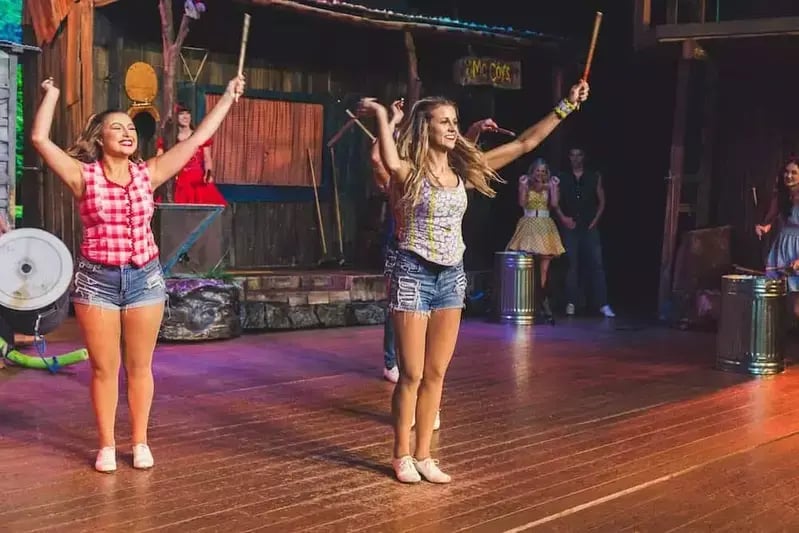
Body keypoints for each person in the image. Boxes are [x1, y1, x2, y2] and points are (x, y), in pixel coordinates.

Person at [358, 79, 589, 483]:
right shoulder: (409, 172)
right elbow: (389, 161)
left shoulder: (464, 172)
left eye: (455, 121)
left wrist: (565, 107)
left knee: (436, 373)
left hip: (451, 276)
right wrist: (382, 116)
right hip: (413, 272)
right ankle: (401, 455)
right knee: (410, 374)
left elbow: (523, 146)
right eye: (443, 121)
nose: (451, 127)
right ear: (425, 128)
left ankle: (425, 456)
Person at [30, 74, 245, 472]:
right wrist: (53, 94)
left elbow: (196, 140)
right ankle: (107, 445)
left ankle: (140, 441)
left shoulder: (148, 173)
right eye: (117, 127)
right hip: (97, 283)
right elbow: (41, 140)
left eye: (130, 128)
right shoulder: (84, 175)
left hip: (144, 279)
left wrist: (229, 98)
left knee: (140, 366)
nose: (127, 133)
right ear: (100, 138)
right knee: (103, 368)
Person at [553, 146, 615, 318]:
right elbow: (555, 201)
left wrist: (595, 220)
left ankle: (602, 303)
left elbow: (601, 201)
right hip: (571, 224)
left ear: (583, 157)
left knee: (596, 265)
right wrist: (563, 218)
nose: (576, 158)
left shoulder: (594, 176)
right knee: (571, 266)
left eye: (579, 155)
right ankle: (571, 302)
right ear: (569, 157)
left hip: (589, 225)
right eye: (572, 155)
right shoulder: (562, 177)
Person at [506, 158, 565, 324]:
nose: (540, 174)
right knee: (527, 267)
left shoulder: (552, 184)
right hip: (529, 224)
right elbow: (521, 203)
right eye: (538, 170)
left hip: (545, 226)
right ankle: (527, 303)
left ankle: (544, 304)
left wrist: (553, 188)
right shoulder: (525, 182)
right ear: (533, 171)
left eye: (543, 171)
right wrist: (523, 187)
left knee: (544, 271)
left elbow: (553, 204)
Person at [156, 103, 226, 205]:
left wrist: (208, 173)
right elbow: (159, 159)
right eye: (181, 114)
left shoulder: (199, 136)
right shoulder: (169, 138)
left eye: (188, 113)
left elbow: (207, 159)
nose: (185, 117)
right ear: (175, 117)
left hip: (197, 180)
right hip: (176, 180)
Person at [757, 157, 799, 316]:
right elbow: (771, 219)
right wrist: (763, 228)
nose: (788, 176)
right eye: (786, 172)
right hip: (783, 247)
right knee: (781, 299)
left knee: (796, 308)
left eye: (794, 173)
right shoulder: (781, 196)